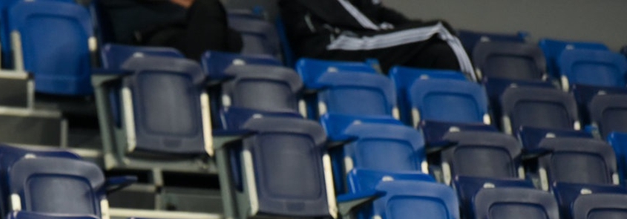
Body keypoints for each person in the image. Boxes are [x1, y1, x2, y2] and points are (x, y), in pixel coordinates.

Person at [279, 0, 474, 75]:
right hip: (331, 47)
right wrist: (397, 33)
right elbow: (358, 20)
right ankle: (480, 101)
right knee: (439, 29)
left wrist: (405, 28)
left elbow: (377, 11)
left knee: (441, 53)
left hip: (359, 39)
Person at [98, 0, 242, 61]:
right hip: (146, 39)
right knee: (207, 7)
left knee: (231, 38)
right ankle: (200, 89)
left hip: (179, 31)